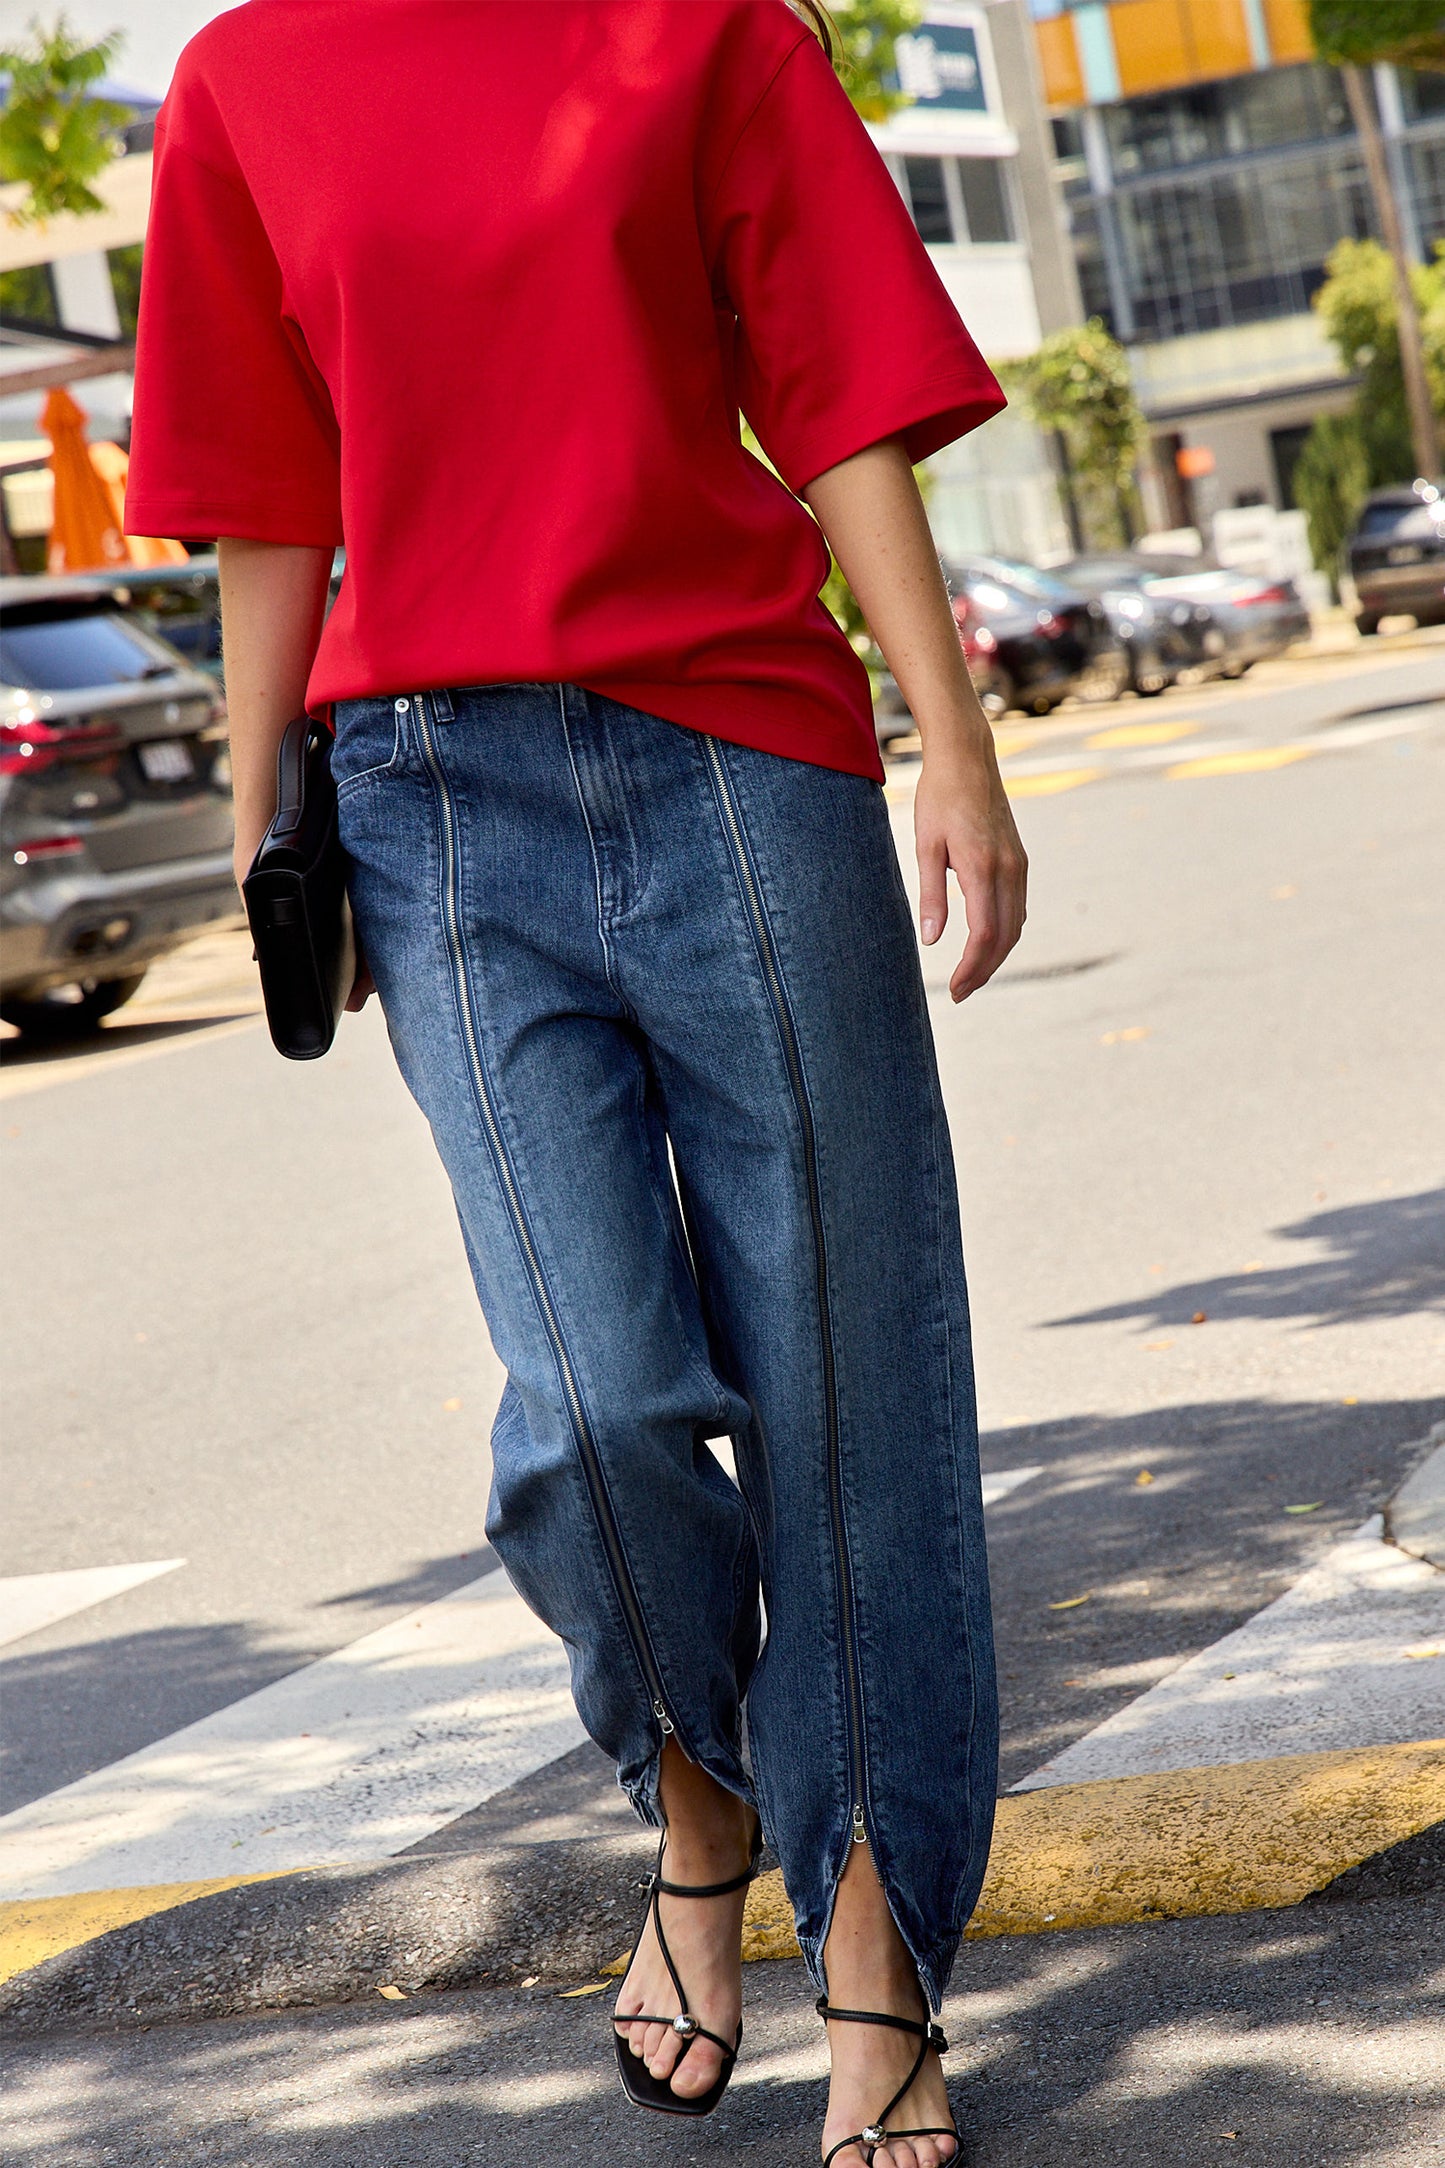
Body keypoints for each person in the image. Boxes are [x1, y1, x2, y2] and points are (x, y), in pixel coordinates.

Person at [128, 4, 1027, 2161]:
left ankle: (880, 1945)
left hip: (742, 753)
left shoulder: (703, 27)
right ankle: (699, 1794)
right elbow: (268, 502)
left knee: (843, 1380)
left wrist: (957, 742)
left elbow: (835, 403)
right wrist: (276, 834)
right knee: (594, 1400)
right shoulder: (250, 79)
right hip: (432, 801)